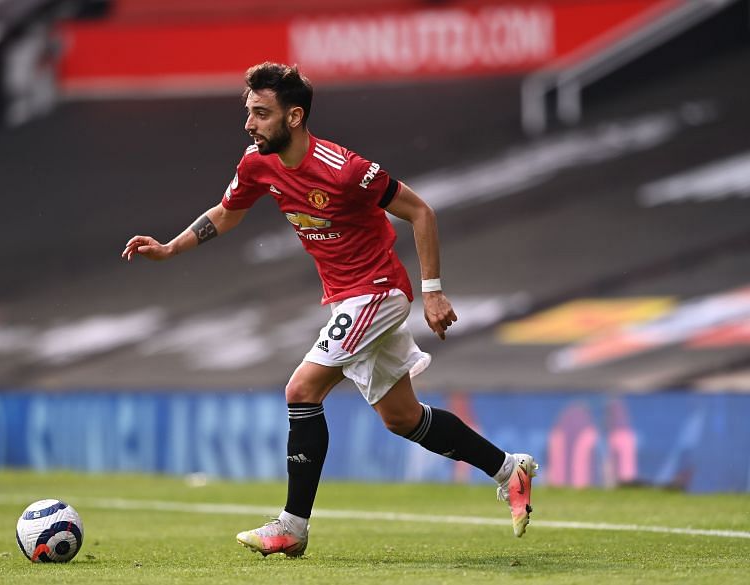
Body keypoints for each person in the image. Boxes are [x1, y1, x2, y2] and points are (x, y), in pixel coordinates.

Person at [122, 62, 538, 556]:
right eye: (248, 112)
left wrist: (433, 291)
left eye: (260, 113)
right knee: (402, 418)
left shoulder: (346, 169)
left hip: (378, 290)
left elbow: (420, 212)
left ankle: (292, 528)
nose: (249, 124)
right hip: (348, 297)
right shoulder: (257, 163)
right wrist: (171, 248)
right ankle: (510, 470)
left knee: (301, 389)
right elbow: (227, 212)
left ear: (294, 116)